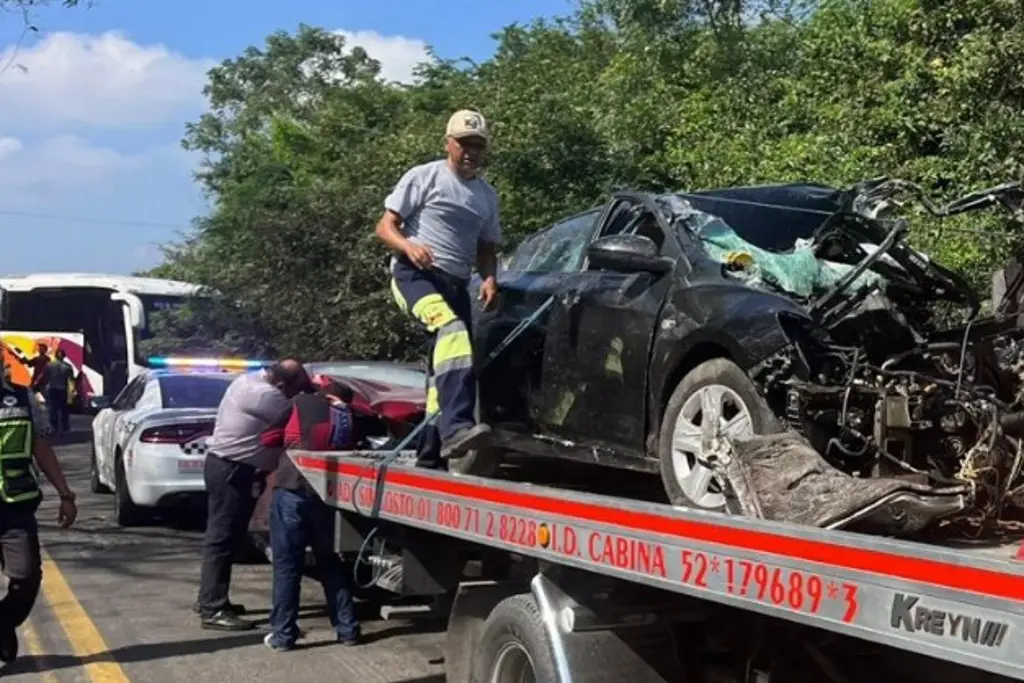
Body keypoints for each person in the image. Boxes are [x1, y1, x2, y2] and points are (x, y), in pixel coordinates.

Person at [374, 108, 502, 468]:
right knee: (453, 332)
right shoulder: (425, 177)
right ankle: (457, 429)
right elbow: (384, 226)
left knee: (446, 365)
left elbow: (486, 248)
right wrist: (409, 246)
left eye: (477, 145)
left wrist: (490, 278)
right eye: (463, 144)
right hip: (415, 275)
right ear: (448, 143)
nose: (470, 152)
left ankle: (431, 455)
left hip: (457, 283)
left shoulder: (486, 196)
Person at [195, 358, 313, 631]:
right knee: (221, 539)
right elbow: (302, 419)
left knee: (226, 537)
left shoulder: (249, 381)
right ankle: (213, 608)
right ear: (282, 384)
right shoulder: (264, 395)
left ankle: (209, 599)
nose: (293, 395)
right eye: (293, 390)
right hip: (231, 470)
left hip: (230, 468)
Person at [262, 375, 360, 652]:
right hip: (328, 495)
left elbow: (268, 437)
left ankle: (283, 635)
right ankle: (347, 629)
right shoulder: (346, 416)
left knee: (287, 566)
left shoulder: (298, 403)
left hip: (292, 489)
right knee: (331, 561)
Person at [0, 354, 77, 665]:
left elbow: (40, 446)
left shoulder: (22, 398)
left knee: (28, 576)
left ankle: (3, 624)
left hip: (15, 504)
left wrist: (66, 494)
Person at [43, 349, 74, 433]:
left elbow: (45, 377)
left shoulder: (49, 365)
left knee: (53, 408)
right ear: (64, 356)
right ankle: (65, 426)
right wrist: (72, 391)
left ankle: (54, 426)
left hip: (52, 388)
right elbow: (71, 379)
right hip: (62, 389)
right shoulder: (68, 366)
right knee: (64, 409)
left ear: (55, 355)